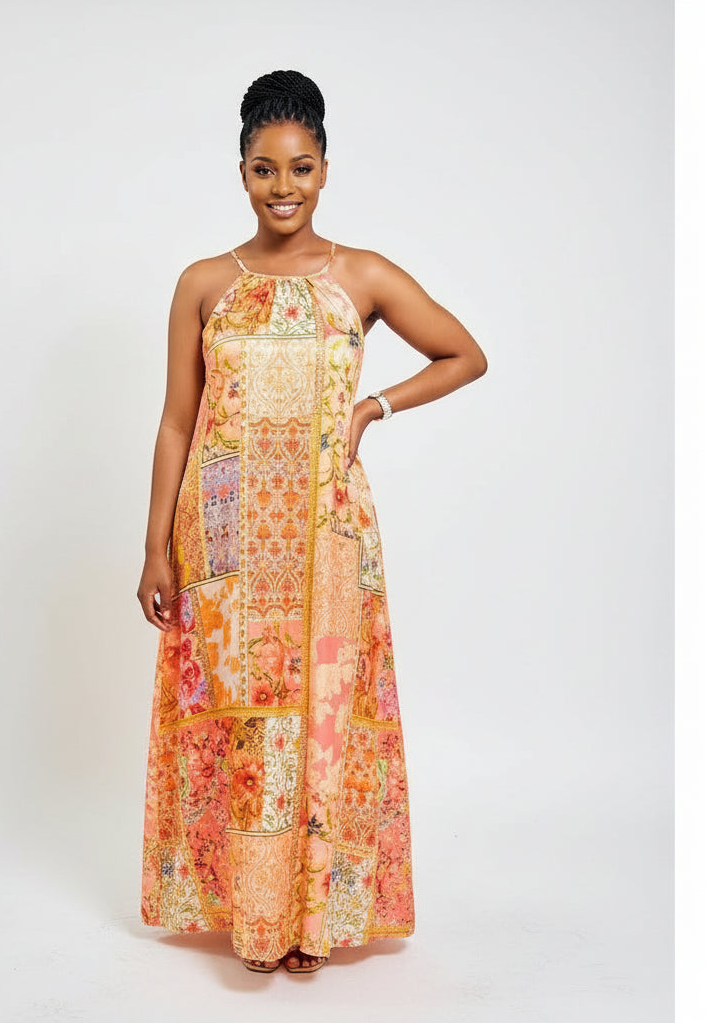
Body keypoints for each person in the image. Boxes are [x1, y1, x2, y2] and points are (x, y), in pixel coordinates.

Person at [137, 69, 487, 975]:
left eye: (300, 167)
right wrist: (154, 549)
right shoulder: (204, 283)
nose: (282, 187)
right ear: (241, 173)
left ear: (325, 168)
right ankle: (255, 916)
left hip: (326, 530)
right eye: (264, 169)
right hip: (223, 532)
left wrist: (374, 406)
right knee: (244, 721)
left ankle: (312, 916)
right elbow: (177, 421)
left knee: (321, 715)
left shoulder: (360, 276)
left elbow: (463, 354)